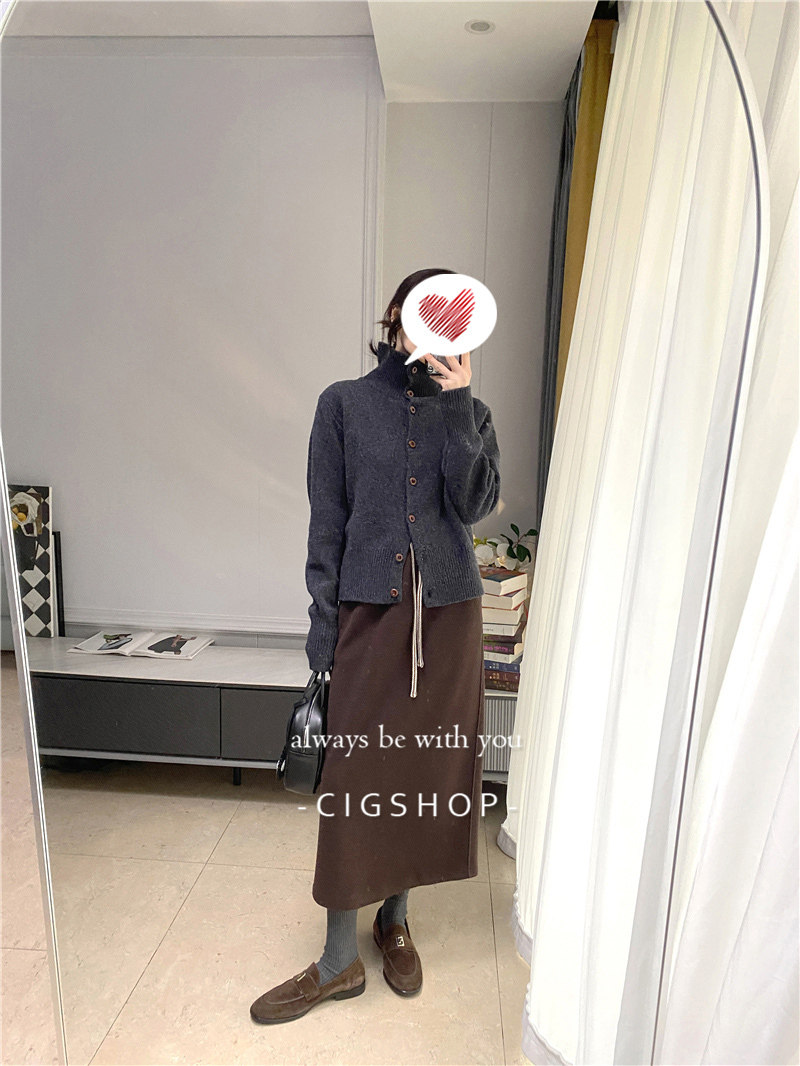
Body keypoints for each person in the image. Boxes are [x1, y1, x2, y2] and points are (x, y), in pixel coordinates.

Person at [250, 267, 501, 1024]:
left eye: (453, 318)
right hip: (369, 615)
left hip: (448, 622)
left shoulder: (471, 411)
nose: (437, 329)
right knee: (355, 780)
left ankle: (395, 921)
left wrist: (456, 404)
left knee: (418, 771)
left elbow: (474, 503)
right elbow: (326, 524)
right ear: (396, 314)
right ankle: (338, 960)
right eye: (428, 312)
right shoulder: (344, 405)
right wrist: (324, 633)